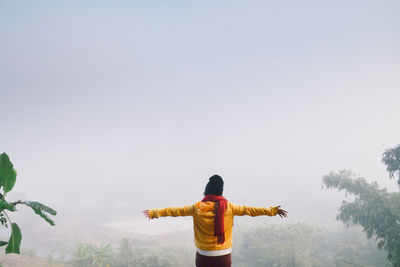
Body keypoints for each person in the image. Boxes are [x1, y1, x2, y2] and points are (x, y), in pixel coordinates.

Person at [143, 174, 288, 267]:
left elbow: (174, 211)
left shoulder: (196, 208)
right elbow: (251, 210)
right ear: (221, 191)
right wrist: (273, 211)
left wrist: (154, 213)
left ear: (206, 191)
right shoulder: (229, 208)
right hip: (223, 257)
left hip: (203, 256)